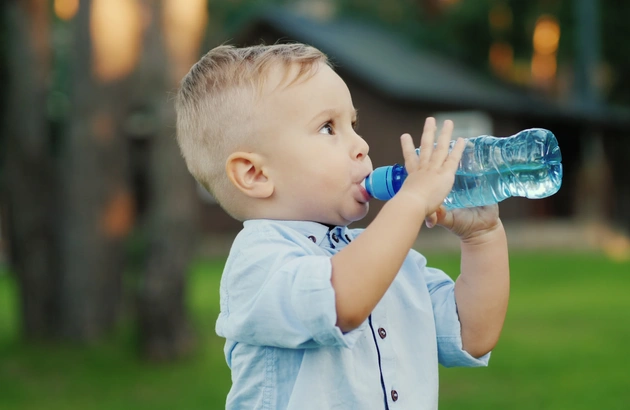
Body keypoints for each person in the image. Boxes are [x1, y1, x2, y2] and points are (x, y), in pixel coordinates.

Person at [175, 43, 510, 410]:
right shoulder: (258, 264)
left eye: (353, 124)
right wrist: (411, 201)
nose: (362, 145)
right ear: (255, 174)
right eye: (327, 128)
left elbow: (473, 333)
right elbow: (342, 302)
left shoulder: (387, 259)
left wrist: (482, 237)